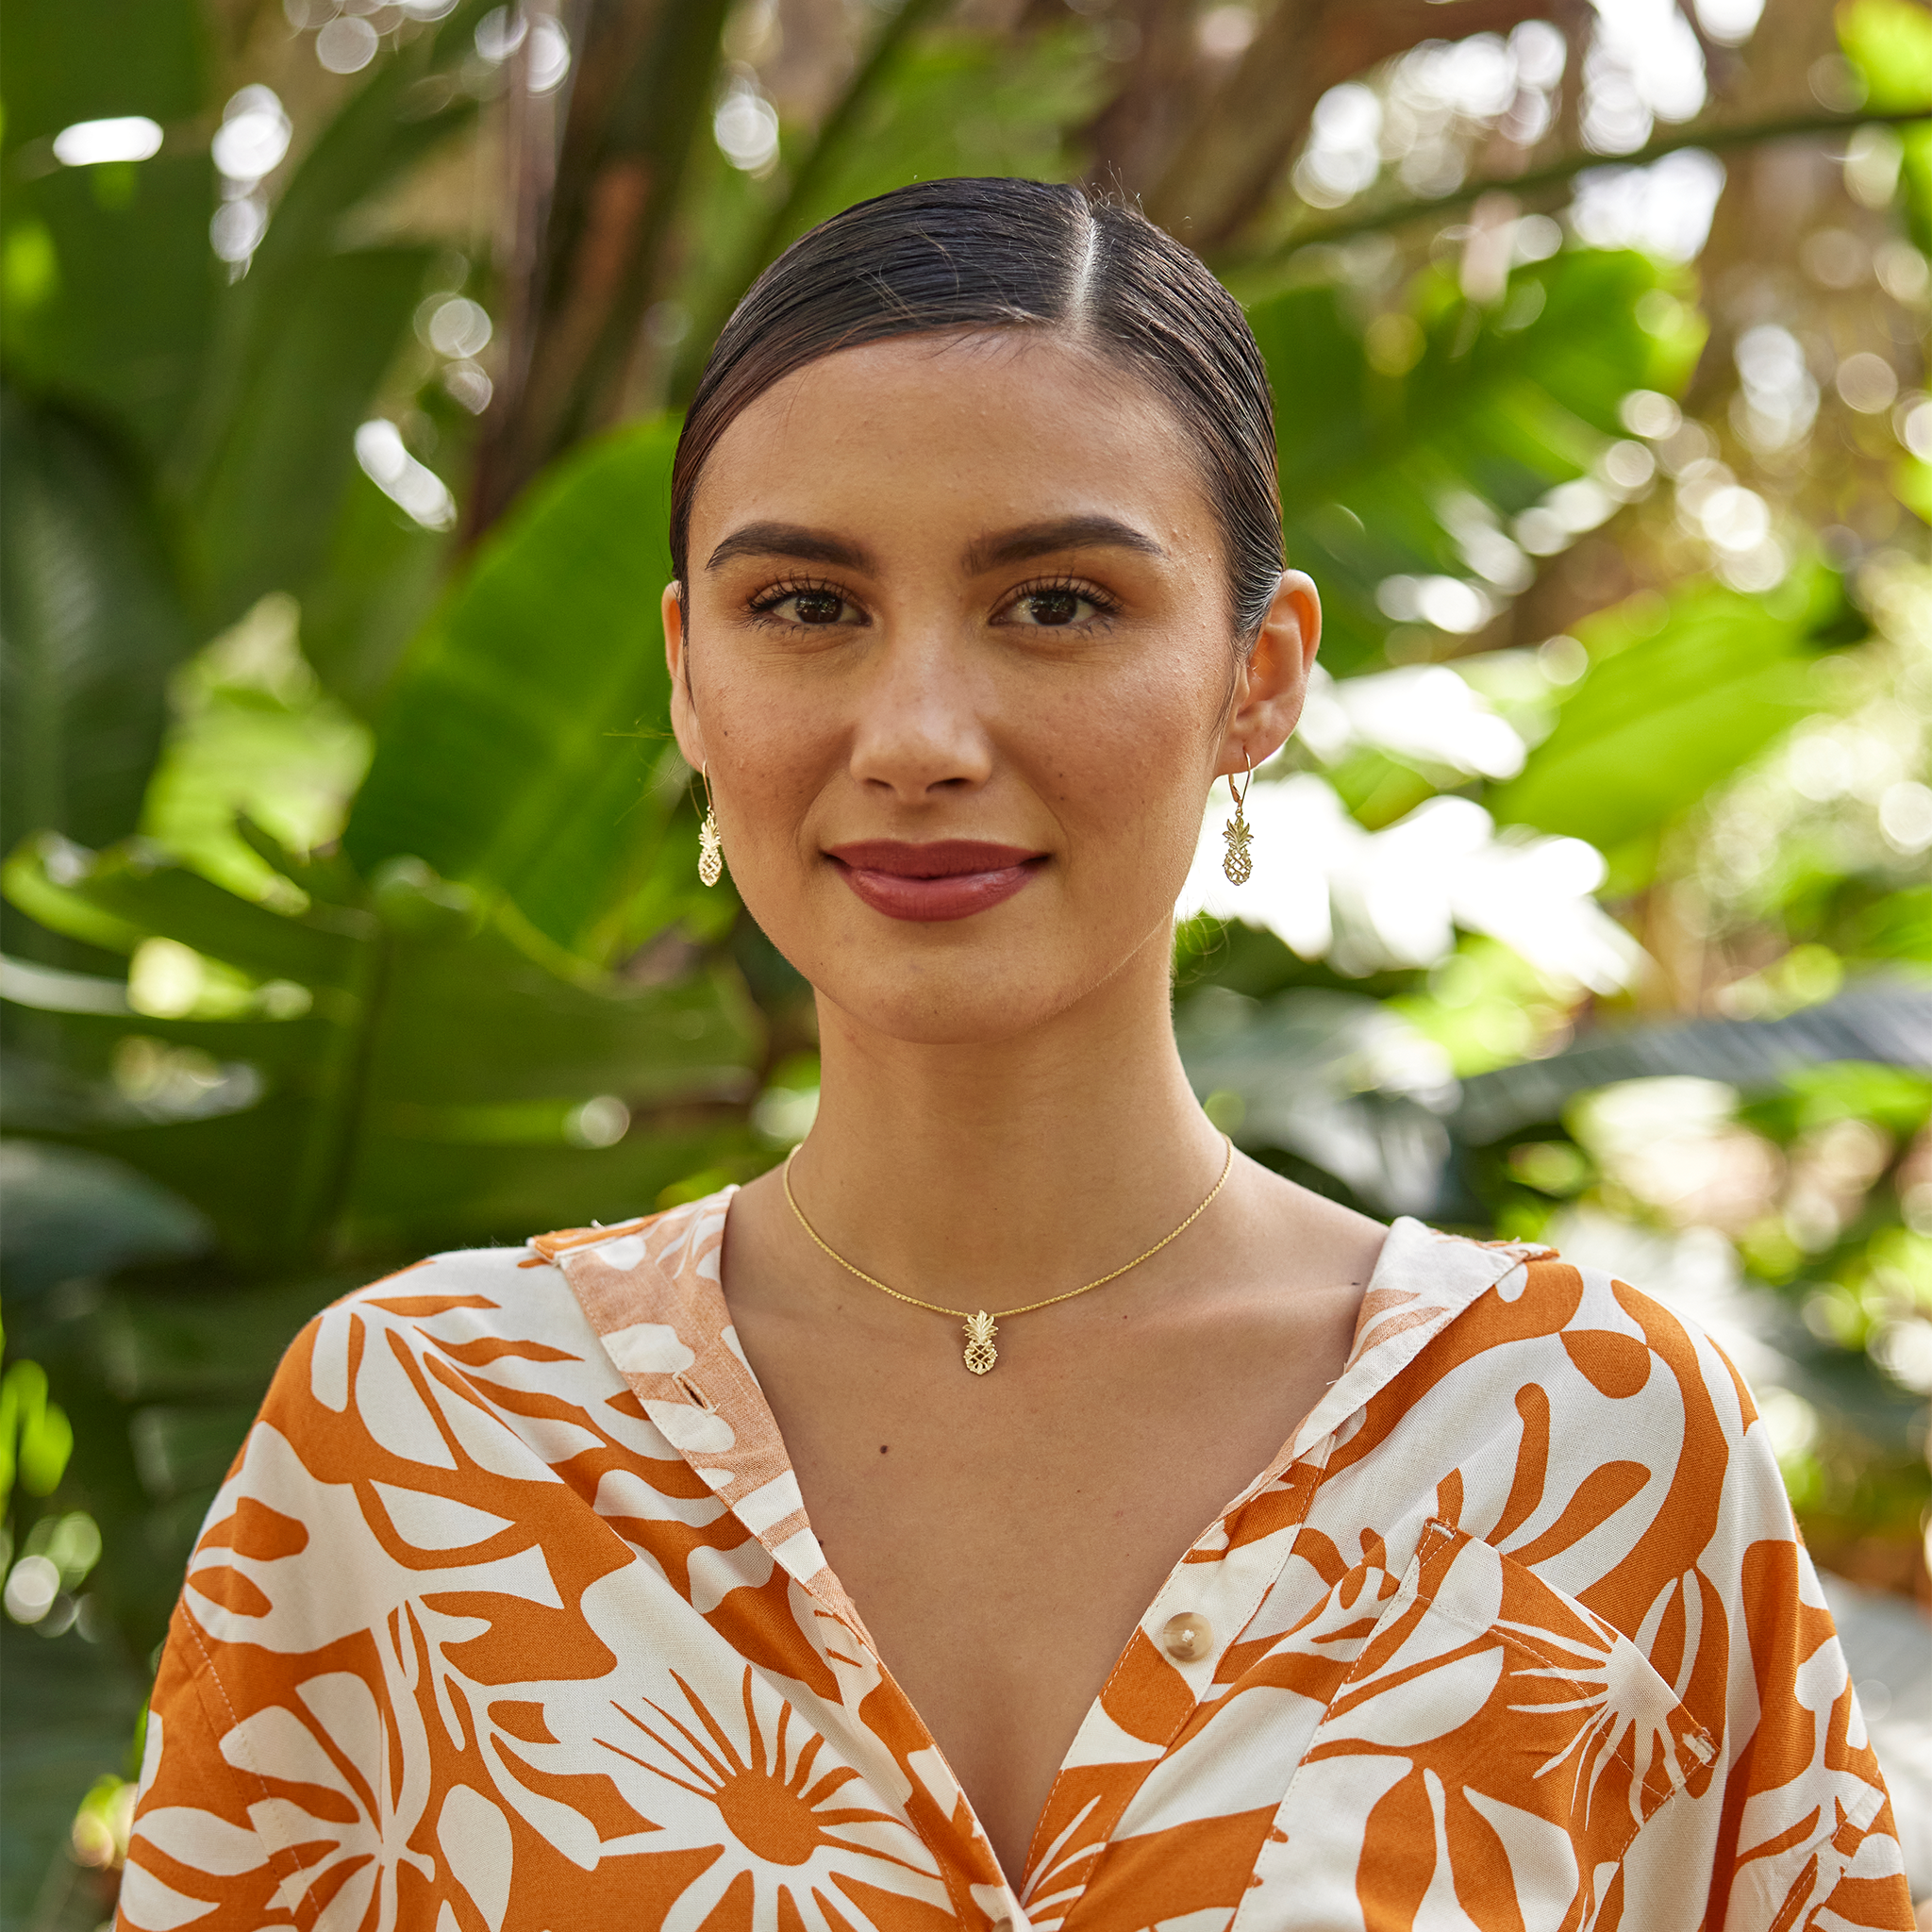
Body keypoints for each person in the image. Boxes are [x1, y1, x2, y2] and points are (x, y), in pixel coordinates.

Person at [119, 179, 1913, 1932]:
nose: (914, 737)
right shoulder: (420, 1437)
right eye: (807, 607)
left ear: (1258, 674)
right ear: (685, 674)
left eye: (1054, 603)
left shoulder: (1585, 1443)